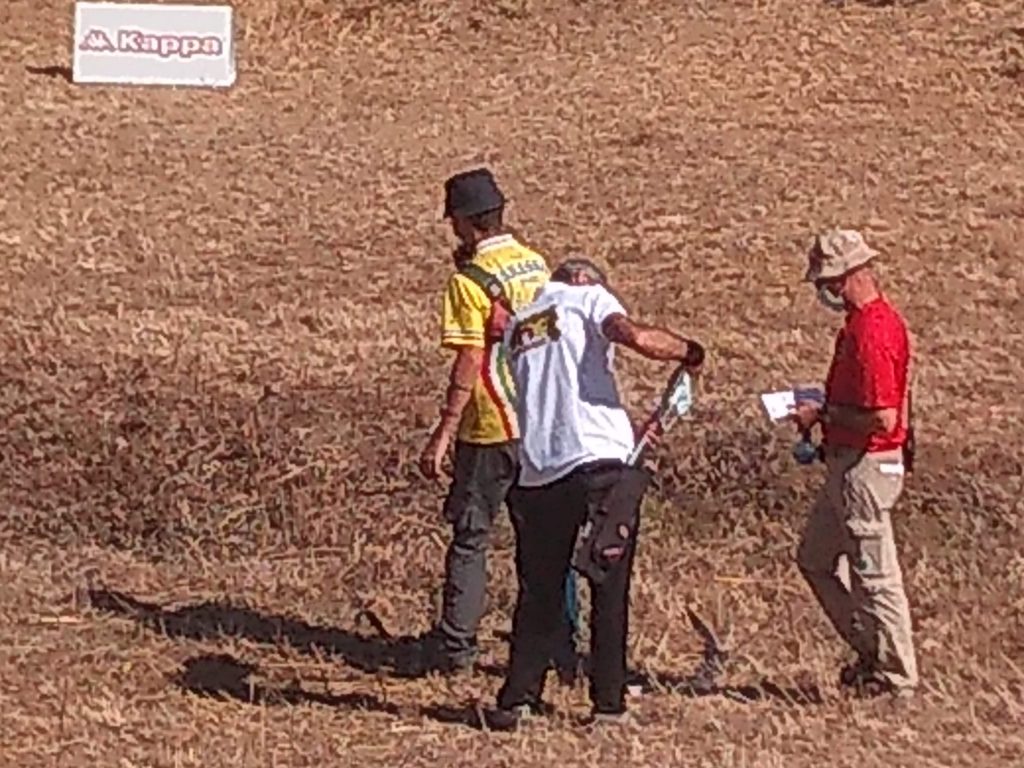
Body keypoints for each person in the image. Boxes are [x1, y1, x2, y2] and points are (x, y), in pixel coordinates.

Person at [484, 258, 705, 728]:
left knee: (540, 591)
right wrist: (690, 351)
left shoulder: (521, 325)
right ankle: (608, 703)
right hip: (601, 467)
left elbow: (557, 392)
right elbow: (635, 337)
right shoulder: (587, 298)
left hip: (539, 470)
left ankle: (518, 698)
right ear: (586, 280)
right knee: (608, 585)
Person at [417, 167, 577, 675]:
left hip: (488, 424)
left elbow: (469, 358)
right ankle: (559, 645)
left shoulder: (467, 283)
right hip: (538, 421)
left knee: (471, 536)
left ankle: (457, 649)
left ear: (465, 222)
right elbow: (549, 334)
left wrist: (444, 431)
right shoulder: (536, 264)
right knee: (547, 542)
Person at [789, 228, 919, 698]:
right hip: (848, 462)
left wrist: (822, 415)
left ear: (848, 277)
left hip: (865, 463)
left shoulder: (871, 332)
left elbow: (882, 416)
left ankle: (897, 676)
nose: (827, 292)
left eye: (829, 282)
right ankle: (872, 652)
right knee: (815, 558)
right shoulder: (867, 324)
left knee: (875, 575)